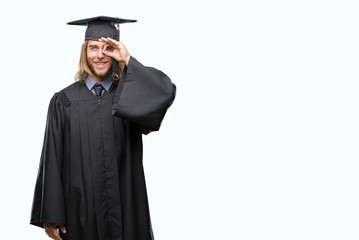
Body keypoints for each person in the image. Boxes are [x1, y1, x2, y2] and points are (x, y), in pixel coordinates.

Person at [30, 16, 176, 240]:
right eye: (93, 48)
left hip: (128, 211)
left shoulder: (130, 97)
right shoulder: (64, 101)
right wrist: (51, 214)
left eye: (108, 48)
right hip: (80, 212)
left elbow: (164, 94)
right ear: (84, 52)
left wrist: (128, 59)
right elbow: (52, 157)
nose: (99, 55)